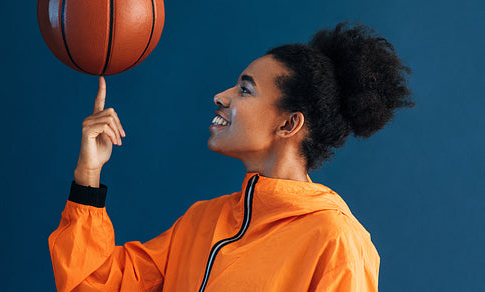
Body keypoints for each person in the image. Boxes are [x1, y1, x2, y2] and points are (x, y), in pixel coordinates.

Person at [49, 21, 414, 291]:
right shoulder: (202, 221)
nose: (221, 96)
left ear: (289, 123)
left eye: (245, 90)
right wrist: (88, 175)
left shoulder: (334, 240)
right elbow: (92, 284)